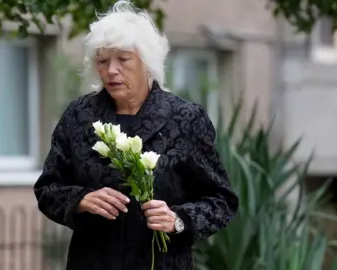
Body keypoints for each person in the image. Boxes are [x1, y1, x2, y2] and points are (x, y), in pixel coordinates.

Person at [33, 1, 239, 269]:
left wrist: (177, 220)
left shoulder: (185, 119)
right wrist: (80, 200)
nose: (111, 70)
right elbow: (48, 188)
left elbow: (221, 201)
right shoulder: (79, 116)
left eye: (123, 59)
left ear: (147, 61)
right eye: (103, 61)